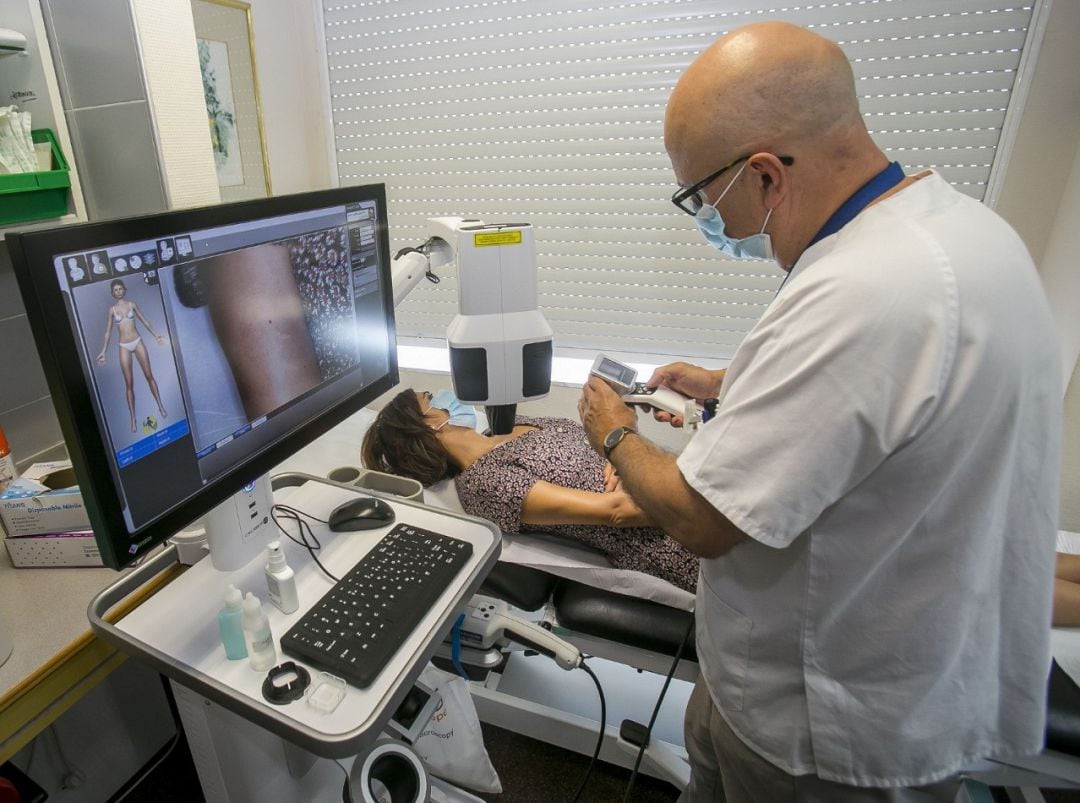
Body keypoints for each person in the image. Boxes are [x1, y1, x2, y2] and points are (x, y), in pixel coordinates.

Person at [576, 21, 1062, 802]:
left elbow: (699, 518)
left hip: (822, 728)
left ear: (765, 174)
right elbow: (882, 399)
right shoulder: (962, 234)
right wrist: (731, 382)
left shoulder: (864, 291)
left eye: (701, 197)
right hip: (862, 671)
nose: (707, 218)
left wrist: (613, 430)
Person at [361, 388, 699, 592]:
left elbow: (603, 442)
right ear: (429, 424)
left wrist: (620, 453)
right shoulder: (483, 483)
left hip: (678, 487)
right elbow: (615, 511)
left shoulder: (510, 422)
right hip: (678, 537)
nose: (447, 397)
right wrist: (627, 460)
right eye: (430, 399)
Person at [97, 279, 169, 433]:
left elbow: (144, 321)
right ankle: (133, 419)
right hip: (123, 345)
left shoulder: (132, 305)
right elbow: (108, 332)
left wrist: (156, 335)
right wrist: (103, 351)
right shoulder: (112, 310)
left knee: (149, 375)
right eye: (115, 290)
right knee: (129, 384)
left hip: (137, 341)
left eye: (120, 289)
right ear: (112, 293)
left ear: (124, 289)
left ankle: (161, 406)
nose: (118, 291)